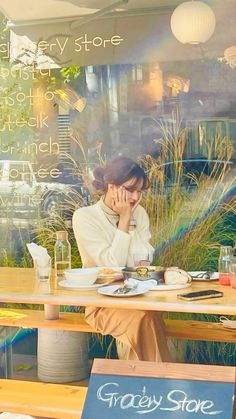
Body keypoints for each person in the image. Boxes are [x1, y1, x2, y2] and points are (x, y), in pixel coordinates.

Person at [72, 156, 171, 362]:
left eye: (140, 191)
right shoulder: (85, 217)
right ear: (112, 187)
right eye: (130, 189)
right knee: (143, 319)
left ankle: (141, 387)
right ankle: (159, 384)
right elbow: (112, 265)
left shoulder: (139, 213)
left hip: (138, 296)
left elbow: (145, 259)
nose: (136, 196)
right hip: (101, 303)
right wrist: (125, 220)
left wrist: (131, 219)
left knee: (147, 316)